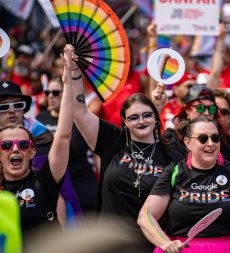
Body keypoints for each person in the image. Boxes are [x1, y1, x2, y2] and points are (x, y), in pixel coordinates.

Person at [63, 44, 185, 252]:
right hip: (111, 242)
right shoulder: (113, 141)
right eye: (133, 117)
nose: (141, 121)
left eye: (147, 115)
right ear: (125, 122)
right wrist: (74, 72)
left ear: (156, 118)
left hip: (155, 244)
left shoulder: (171, 151)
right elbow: (80, 112)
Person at [138, 116, 230, 253]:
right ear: (187, 143)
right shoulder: (173, 172)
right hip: (182, 248)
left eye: (215, 138)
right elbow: (146, 215)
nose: (211, 143)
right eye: (203, 138)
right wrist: (164, 243)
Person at [0, 46, 74, 242]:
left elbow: (64, 135)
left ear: (32, 151)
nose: (15, 148)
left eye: (23, 144)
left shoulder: (45, 182)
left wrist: (68, 82)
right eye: (6, 145)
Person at [36, 77, 98, 224]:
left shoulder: (81, 119)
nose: (50, 96)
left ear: (67, 94)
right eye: (47, 92)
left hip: (81, 180)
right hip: (54, 184)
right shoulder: (40, 118)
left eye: (56, 92)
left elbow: (97, 152)